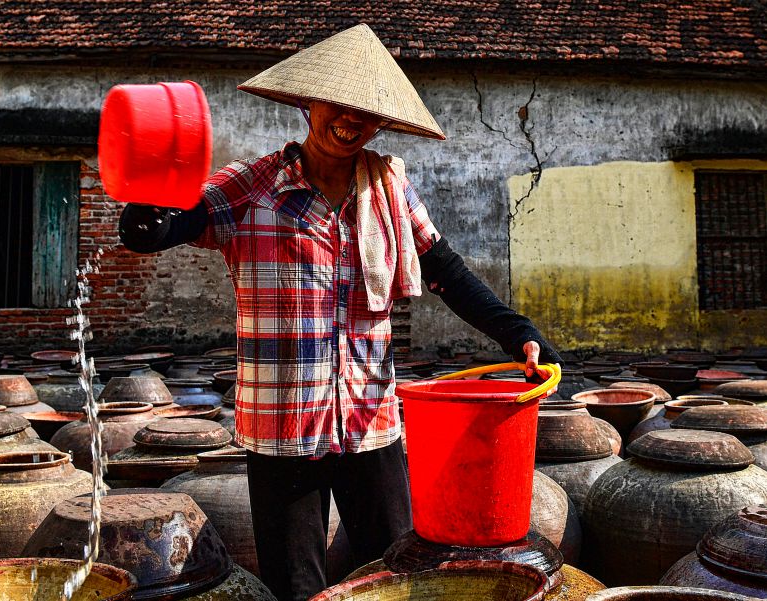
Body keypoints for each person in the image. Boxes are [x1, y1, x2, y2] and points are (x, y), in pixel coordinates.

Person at [119, 23, 562, 601]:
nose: (352, 118)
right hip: (282, 428)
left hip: (370, 423)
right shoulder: (250, 188)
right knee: (296, 586)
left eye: (368, 110)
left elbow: (446, 272)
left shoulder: (388, 190)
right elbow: (163, 228)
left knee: (400, 574)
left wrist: (516, 331)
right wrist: (151, 202)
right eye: (338, 103)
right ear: (307, 102)